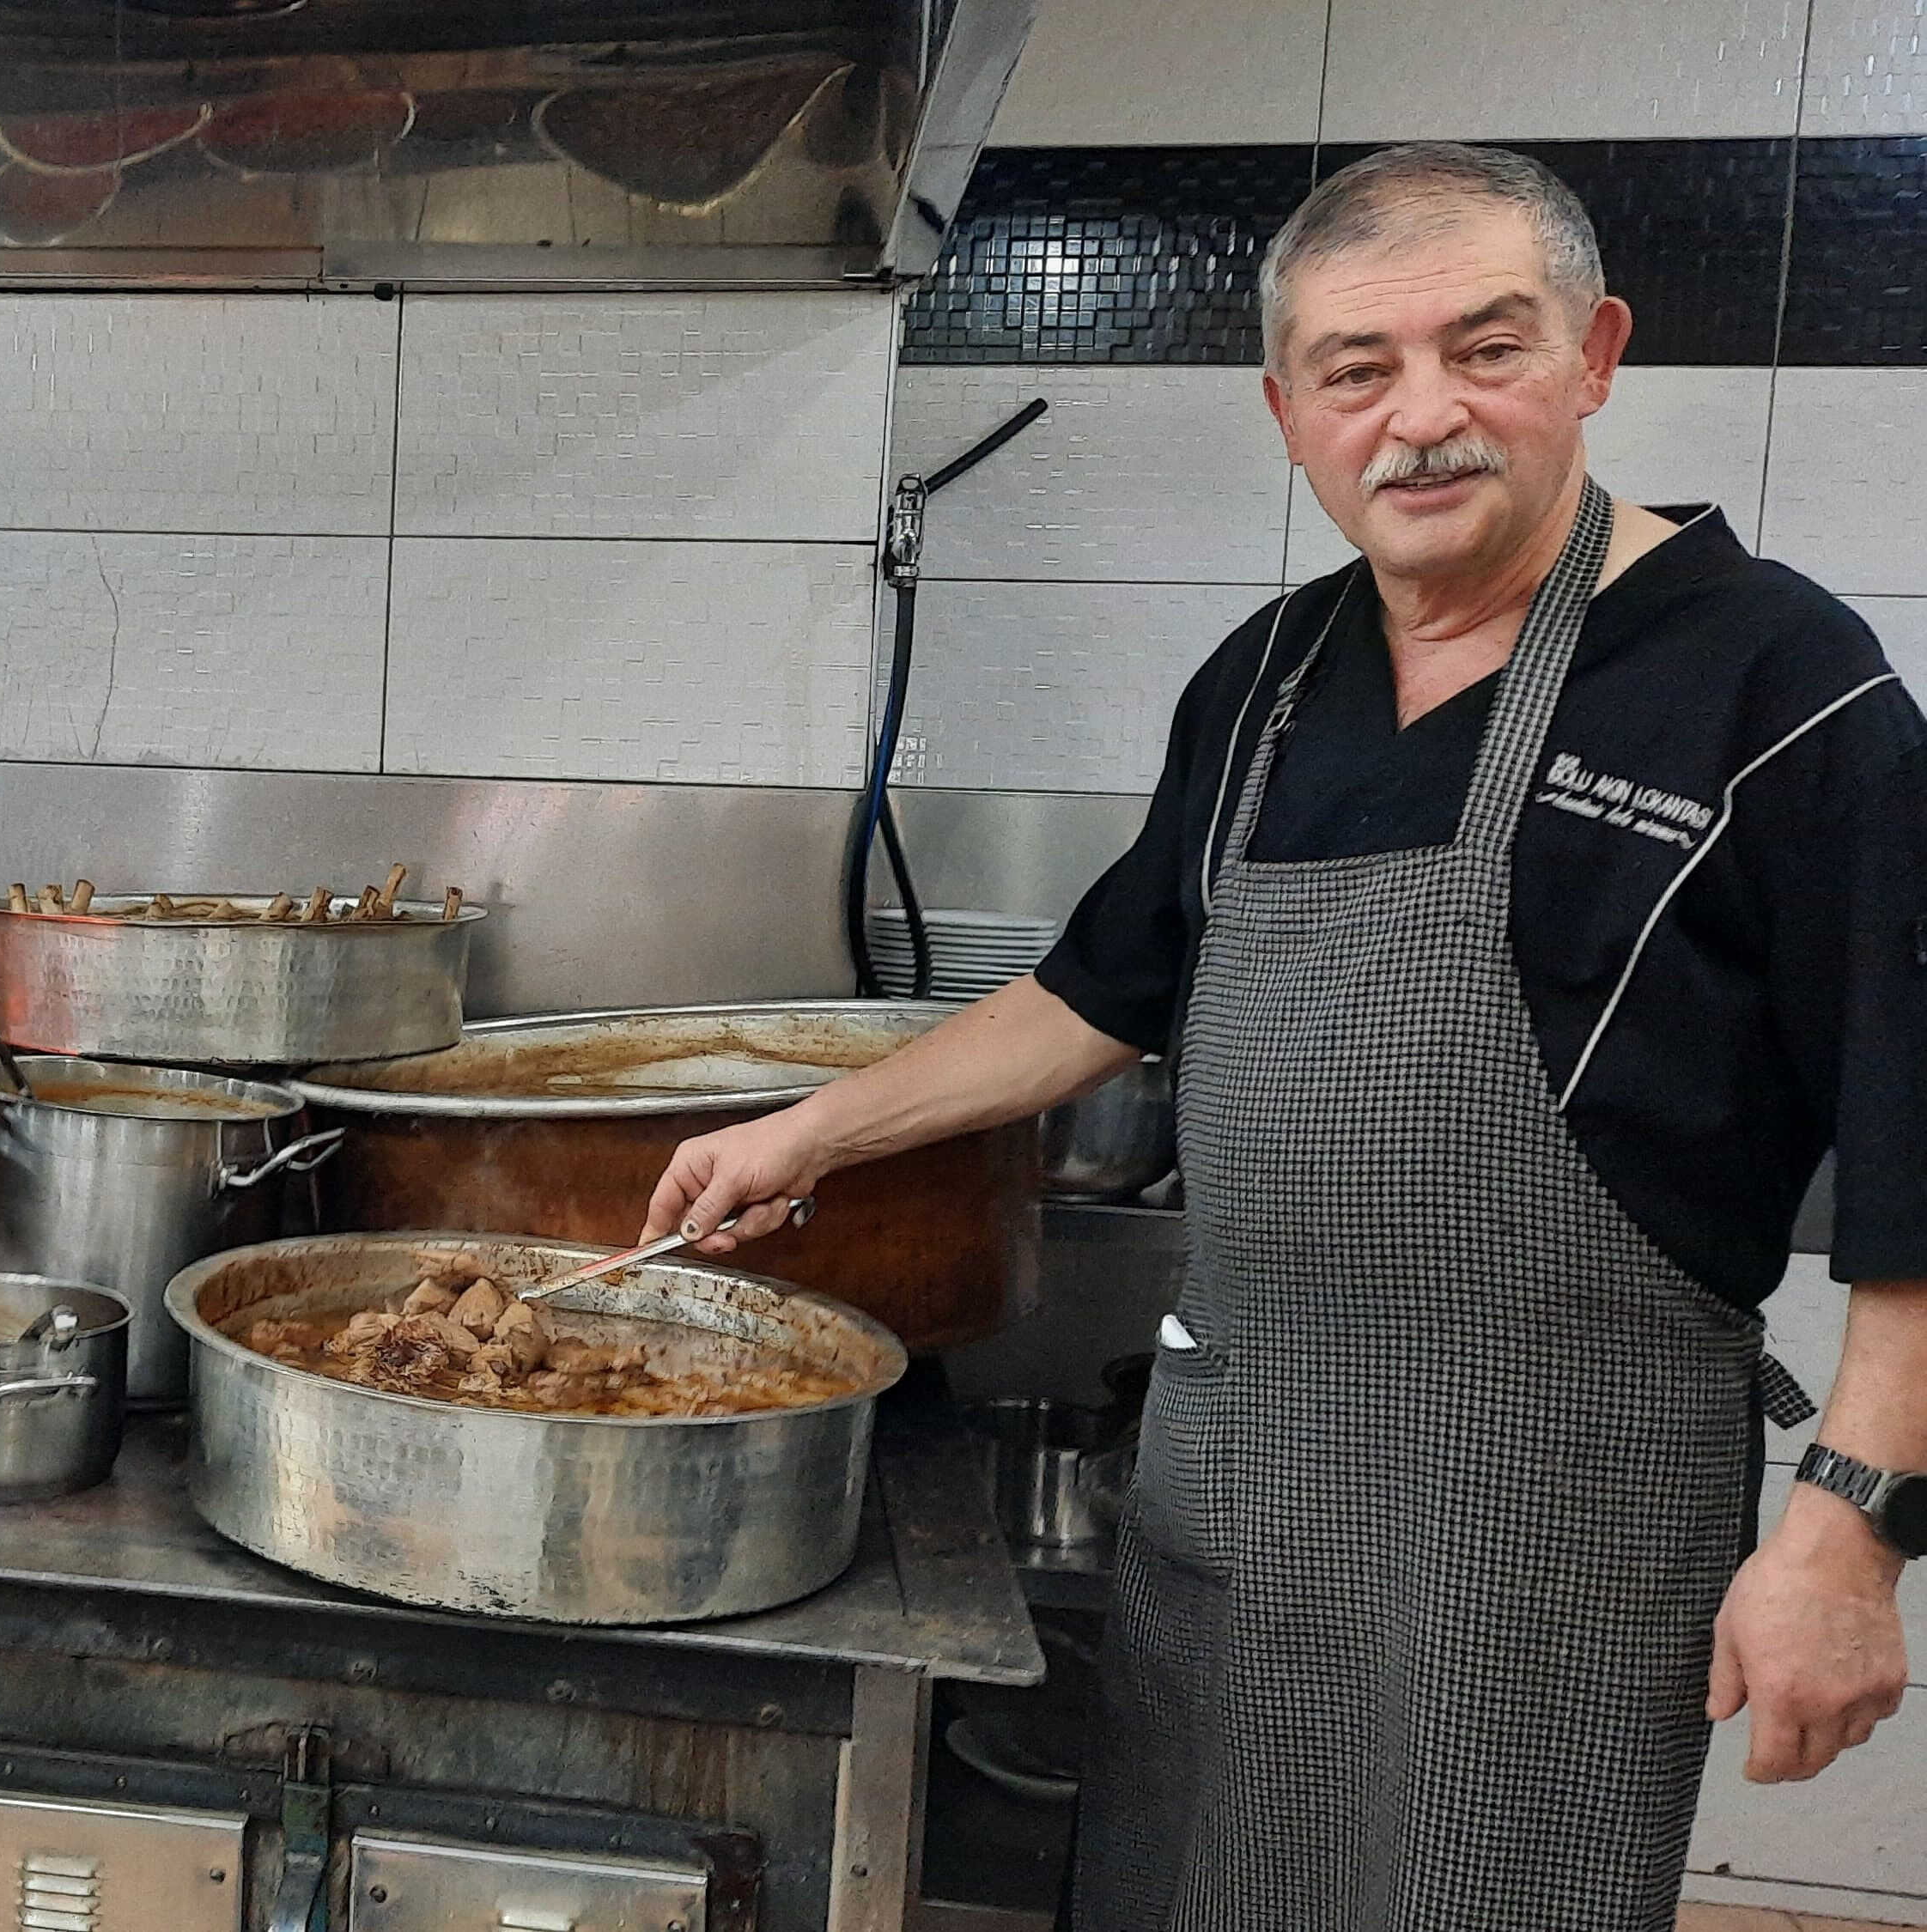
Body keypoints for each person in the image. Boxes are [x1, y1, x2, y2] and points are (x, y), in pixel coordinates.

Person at [641, 143, 1927, 1930]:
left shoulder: (1780, 683)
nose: (1424, 418)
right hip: (1236, 1491)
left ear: (1594, 356)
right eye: (1357, 370)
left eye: (1486, 349)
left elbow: (1914, 1137)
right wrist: (806, 1133)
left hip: (1548, 1532)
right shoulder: (1267, 677)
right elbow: (1095, 996)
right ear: (1288, 412)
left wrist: (1849, 1531)